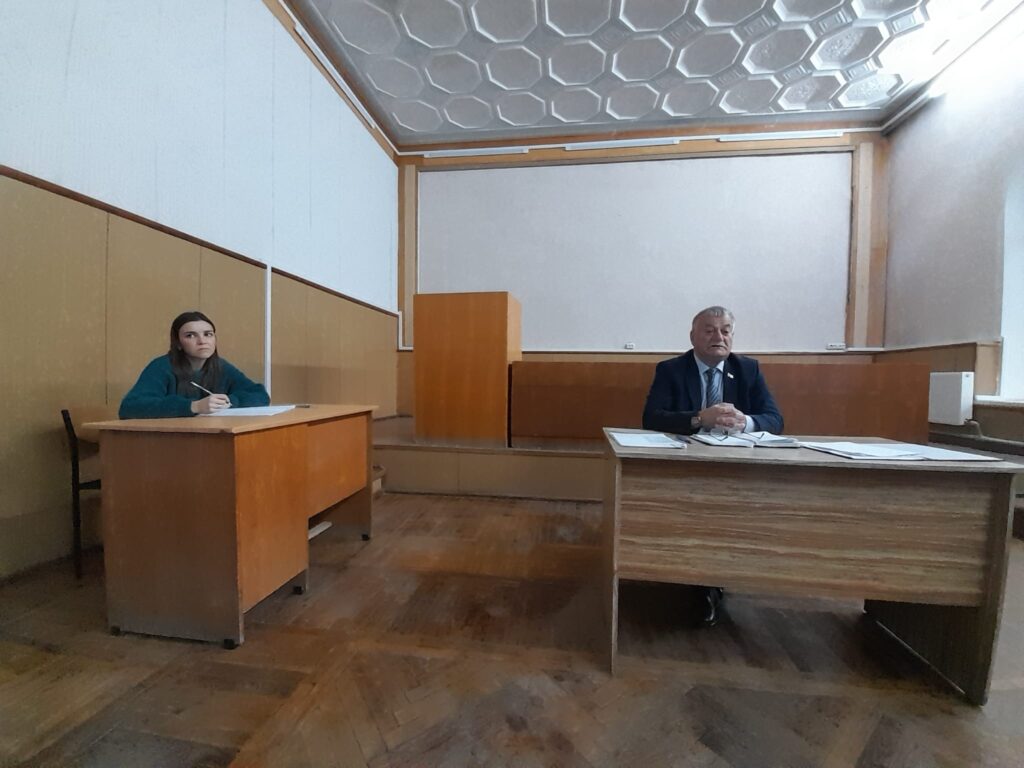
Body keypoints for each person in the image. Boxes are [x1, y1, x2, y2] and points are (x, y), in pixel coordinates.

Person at [641, 305, 784, 626]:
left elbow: (775, 419)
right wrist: (698, 418)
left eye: (725, 331)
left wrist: (745, 422)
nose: (718, 337)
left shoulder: (748, 369)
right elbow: (651, 418)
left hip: (737, 465)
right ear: (693, 337)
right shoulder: (671, 370)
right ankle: (702, 581)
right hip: (685, 465)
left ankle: (713, 576)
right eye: (709, 330)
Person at [119, 311, 270, 419]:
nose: (202, 341)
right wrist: (194, 406)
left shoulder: (221, 366)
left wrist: (230, 401)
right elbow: (130, 407)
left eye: (208, 334)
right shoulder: (161, 366)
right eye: (190, 335)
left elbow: (260, 395)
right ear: (178, 343)